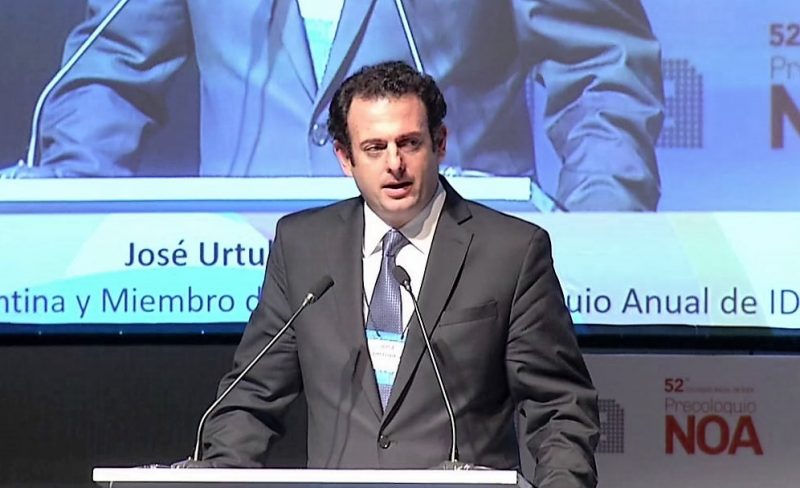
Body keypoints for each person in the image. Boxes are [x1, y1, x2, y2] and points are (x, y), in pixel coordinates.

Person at [198, 61, 599, 488]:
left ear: (439, 144)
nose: (395, 164)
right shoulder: (303, 247)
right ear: (345, 158)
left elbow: (560, 408)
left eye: (409, 143)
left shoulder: (511, 252)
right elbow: (251, 397)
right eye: (374, 148)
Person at [2, 0, 663, 211]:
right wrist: (64, 209)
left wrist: (600, 233)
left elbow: (599, 66)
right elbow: (111, 68)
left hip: (461, 291)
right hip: (242, 301)